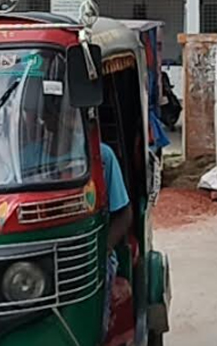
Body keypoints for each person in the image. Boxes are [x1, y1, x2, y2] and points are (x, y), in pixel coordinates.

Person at [101, 140, 132, 336]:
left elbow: (124, 214)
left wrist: (103, 250)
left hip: (93, 256)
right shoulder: (24, 155)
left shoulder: (103, 157)